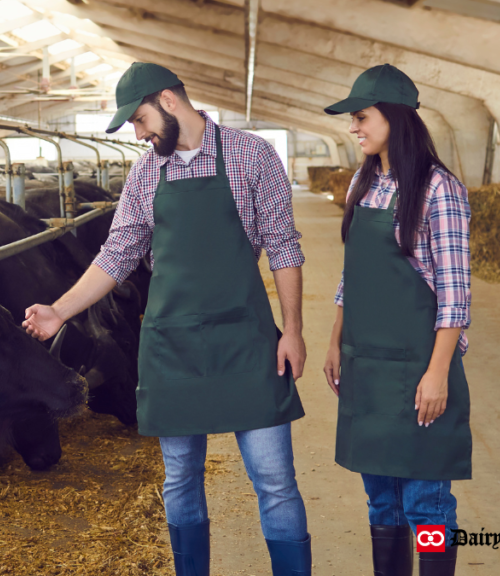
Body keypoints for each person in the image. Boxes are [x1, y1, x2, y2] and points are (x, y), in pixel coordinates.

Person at [22, 62, 312, 576]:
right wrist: (60, 310)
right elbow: (118, 254)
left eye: (139, 120)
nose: (138, 134)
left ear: (169, 101)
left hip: (245, 340)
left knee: (274, 479)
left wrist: (292, 331)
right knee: (180, 479)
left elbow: (285, 249)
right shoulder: (146, 171)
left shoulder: (253, 155)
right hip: (171, 346)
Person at [321, 64, 473, 576]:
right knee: (381, 503)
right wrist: (336, 340)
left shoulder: (438, 190)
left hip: (417, 371)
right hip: (367, 367)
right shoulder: (362, 186)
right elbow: (352, 276)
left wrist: (437, 374)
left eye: (361, 116)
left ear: (395, 117)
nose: (353, 127)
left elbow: (455, 296)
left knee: (426, 504)